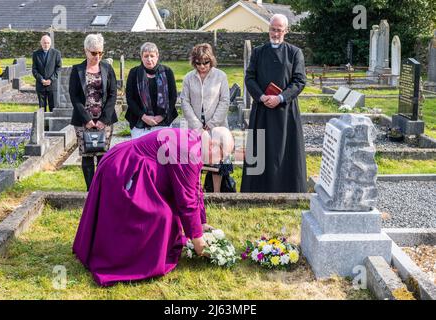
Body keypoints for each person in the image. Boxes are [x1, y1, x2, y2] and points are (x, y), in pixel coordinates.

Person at [72, 127, 235, 286]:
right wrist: (198, 241)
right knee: (160, 214)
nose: (221, 161)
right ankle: (127, 258)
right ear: (213, 144)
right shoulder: (191, 151)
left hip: (134, 163)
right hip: (124, 167)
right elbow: (186, 201)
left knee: (166, 213)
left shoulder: (197, 144)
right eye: (222, 155)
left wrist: (201, 223)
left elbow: (194, 188)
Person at [241, 14, 307, 193]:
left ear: (285, 31)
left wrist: (280, 98)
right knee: (260, 148)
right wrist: (262, 97)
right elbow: (250, 77)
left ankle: (288, 188)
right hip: (262, 109)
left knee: (285, 151)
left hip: (285, 111)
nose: (275, 33)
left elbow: (299, 81)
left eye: (279, 30)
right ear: (268, 29)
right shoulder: (258, 52)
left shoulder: (295, 53)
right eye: (272, 29)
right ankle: (256, 189)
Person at [69, 34, 118, 191]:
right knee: (87, 155)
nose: (97, 56)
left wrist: (104, 119)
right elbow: (74, 96)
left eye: (100, 53)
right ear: (86, 51)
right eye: (94, 53)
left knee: (103, 156)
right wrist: (87, 119)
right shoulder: (77, 70)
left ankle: (103, 189)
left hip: (104, 120)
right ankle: (91, 190)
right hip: (84, 120)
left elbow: (113, 94)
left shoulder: (107, 69)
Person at [181, 43, 231, 192]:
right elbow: (185, 101)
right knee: (195, 160)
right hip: (195, 127)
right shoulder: (188, 78)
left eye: (205, 63)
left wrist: (212, 123)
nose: (202, 66)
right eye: (198, 63)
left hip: (217, 126)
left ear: (211, 60)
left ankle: (216, 193)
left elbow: (225, 100)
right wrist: (197, 125)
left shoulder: (221, 76)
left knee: (216, 160)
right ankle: (197, 192)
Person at [125, 42, 178, 139]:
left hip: (163, 122)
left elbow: (173, 97)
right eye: (146, 56)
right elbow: (130, 98)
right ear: (141, 57)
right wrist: (144, 117)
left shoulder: (167, 72)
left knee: (162, 153)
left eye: (152, 56)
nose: (149, 59)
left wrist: (162, 116)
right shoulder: (134, 73)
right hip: (140, 122)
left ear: (157, 56)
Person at [32, 34, 62, 112]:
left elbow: (59, 68)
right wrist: (41, 79)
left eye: (48, 43)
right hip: (40, 85)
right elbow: (34, 69)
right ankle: (43, 124)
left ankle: (52, 124)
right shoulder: (36, 54)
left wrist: (50, 80)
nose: (46, 44)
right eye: (44, 43)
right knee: (42, 109)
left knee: (53, 108)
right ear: (41, 43)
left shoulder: (56, 53)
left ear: (50, 43)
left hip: (52, 85)